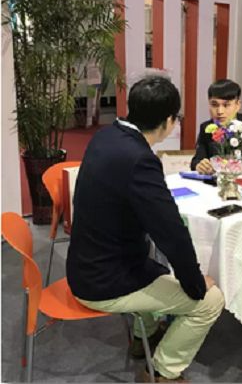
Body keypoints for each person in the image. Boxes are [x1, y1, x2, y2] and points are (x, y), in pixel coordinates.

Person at [67, 76, 224, 382]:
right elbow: (171, 233)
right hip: (104, 280)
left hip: (87, 263)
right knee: (210, 302)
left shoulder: (106, 135)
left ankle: (145, 337)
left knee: (155, 265)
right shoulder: (140, 159)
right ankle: (164, 372)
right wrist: (195, 284)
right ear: (169, 121)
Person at [190, 78, 242, 176]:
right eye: (214, 105)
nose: (220, 111)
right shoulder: (207, 127)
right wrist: (199, 165)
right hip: (218, 182)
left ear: (238, 105)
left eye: (226, 105)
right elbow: (196, 160)